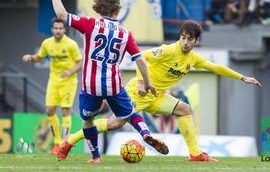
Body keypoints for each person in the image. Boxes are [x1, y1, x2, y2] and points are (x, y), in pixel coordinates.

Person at [60, 20, 262, 162]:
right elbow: (141, 56)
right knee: (114, 124)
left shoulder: (193, 59)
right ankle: (70, 141)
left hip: (156, 97)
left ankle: (195, 154)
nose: (185, 41)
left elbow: (216, 67)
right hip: (136, 92)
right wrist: (140, 81)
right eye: (183, 37)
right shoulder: (168, 50)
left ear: (196, 41)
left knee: (185, 109)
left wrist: (242, 77)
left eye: (189, 39)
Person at [42, 0, 169, 164]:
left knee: (88, 121)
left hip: (90, 86)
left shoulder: (90, 25)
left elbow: (61, 14)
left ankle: (96, 157)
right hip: (113, 85)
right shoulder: (125, 34)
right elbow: (140, 60)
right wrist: (148, 83)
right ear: (118, 10)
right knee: (131, 113)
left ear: (100, 9)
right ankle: (146, 133)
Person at [22, 18, 82, 155]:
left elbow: (80, 63)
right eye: (56, 28)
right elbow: (39, 57)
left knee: (66, 110)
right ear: (52, 29)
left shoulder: (71, 44)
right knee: (50, 111)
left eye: (60, 28)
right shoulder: (47, 43)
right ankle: (56, 143)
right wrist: (30, 57)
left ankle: (64, 143)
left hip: (69, 81)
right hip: (54, 81)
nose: (58, 31)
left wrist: (70, 72)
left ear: (64, 30)